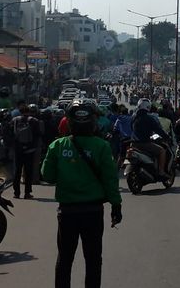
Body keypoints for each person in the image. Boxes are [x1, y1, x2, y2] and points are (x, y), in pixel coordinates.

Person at [41, 105, 122, 288]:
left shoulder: (57, 145)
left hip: (67, 212)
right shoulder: (102, 146)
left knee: (65, 259)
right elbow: (110, 180)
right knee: (93, 260)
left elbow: (48, 176)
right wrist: (116, 206)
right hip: (93, 212)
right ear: (92, 123)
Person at [131, 98, 172, 178]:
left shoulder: (133, 117)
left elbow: (131, 129)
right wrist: (166, 137)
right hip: (144, 143)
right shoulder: (149, 118)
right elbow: (158, 130)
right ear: (148, 107)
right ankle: (161, 171)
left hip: (133, 143)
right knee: (162, 151)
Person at [11, 104, 41, 199]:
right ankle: (27, 193)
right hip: (30, 150)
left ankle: (16, 193)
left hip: (18, 149)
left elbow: (10, 133)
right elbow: (39, 134)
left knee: (17, 171)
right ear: (29, 111)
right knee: (28, 172)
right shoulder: (34, 121)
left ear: (20, 111)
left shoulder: (14, 120)